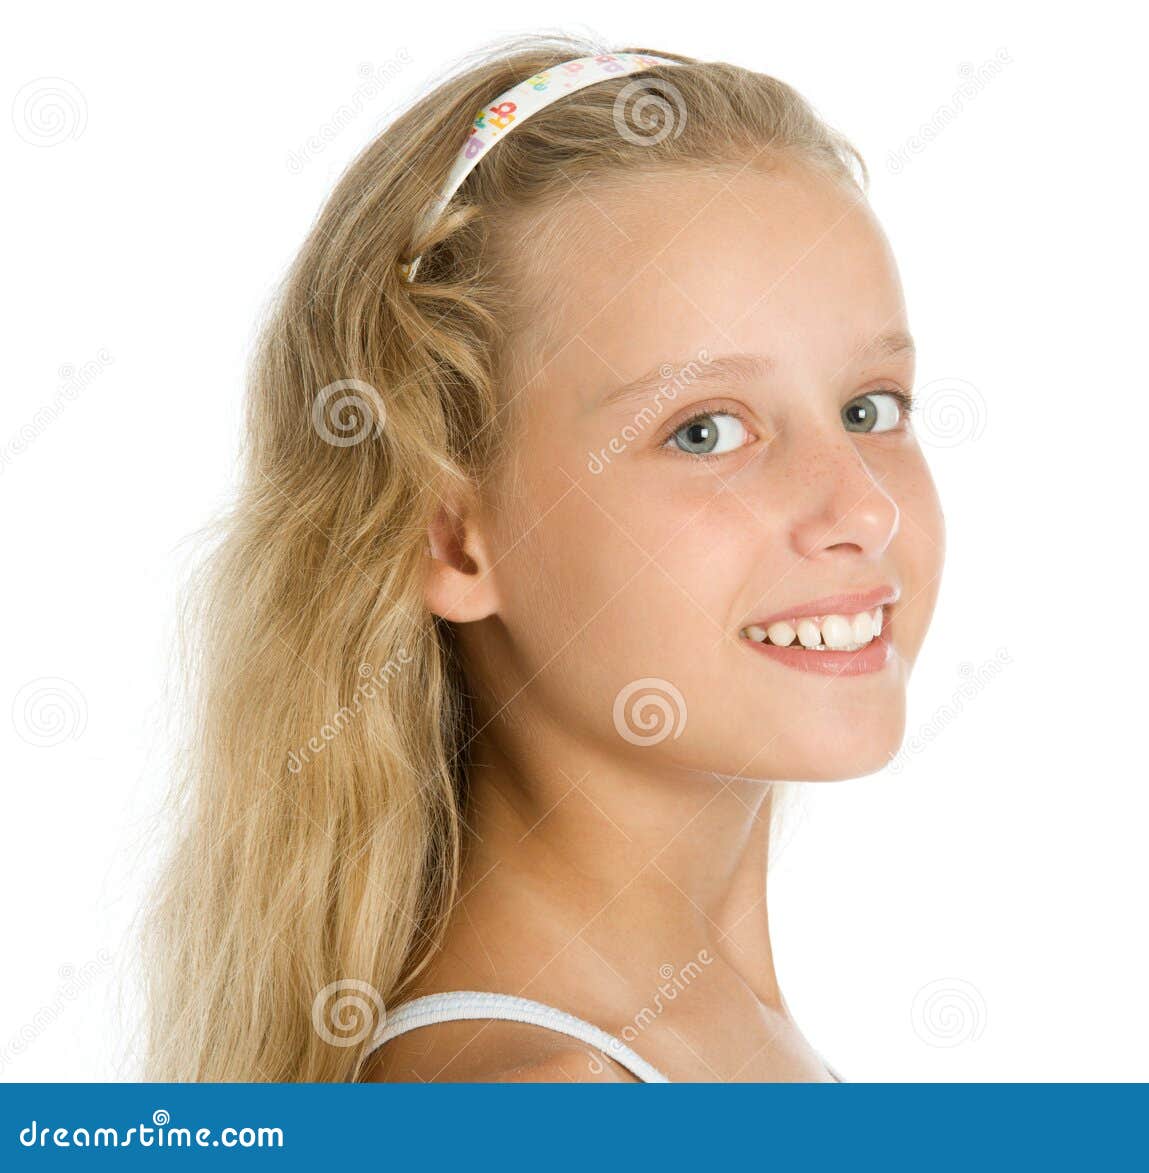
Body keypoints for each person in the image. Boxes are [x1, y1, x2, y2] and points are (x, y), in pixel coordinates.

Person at [142, 32, 945, 1082]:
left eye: (867, 407)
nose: (863, 506)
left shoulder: (708, 1027)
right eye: (704, 430)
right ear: (453, 537)